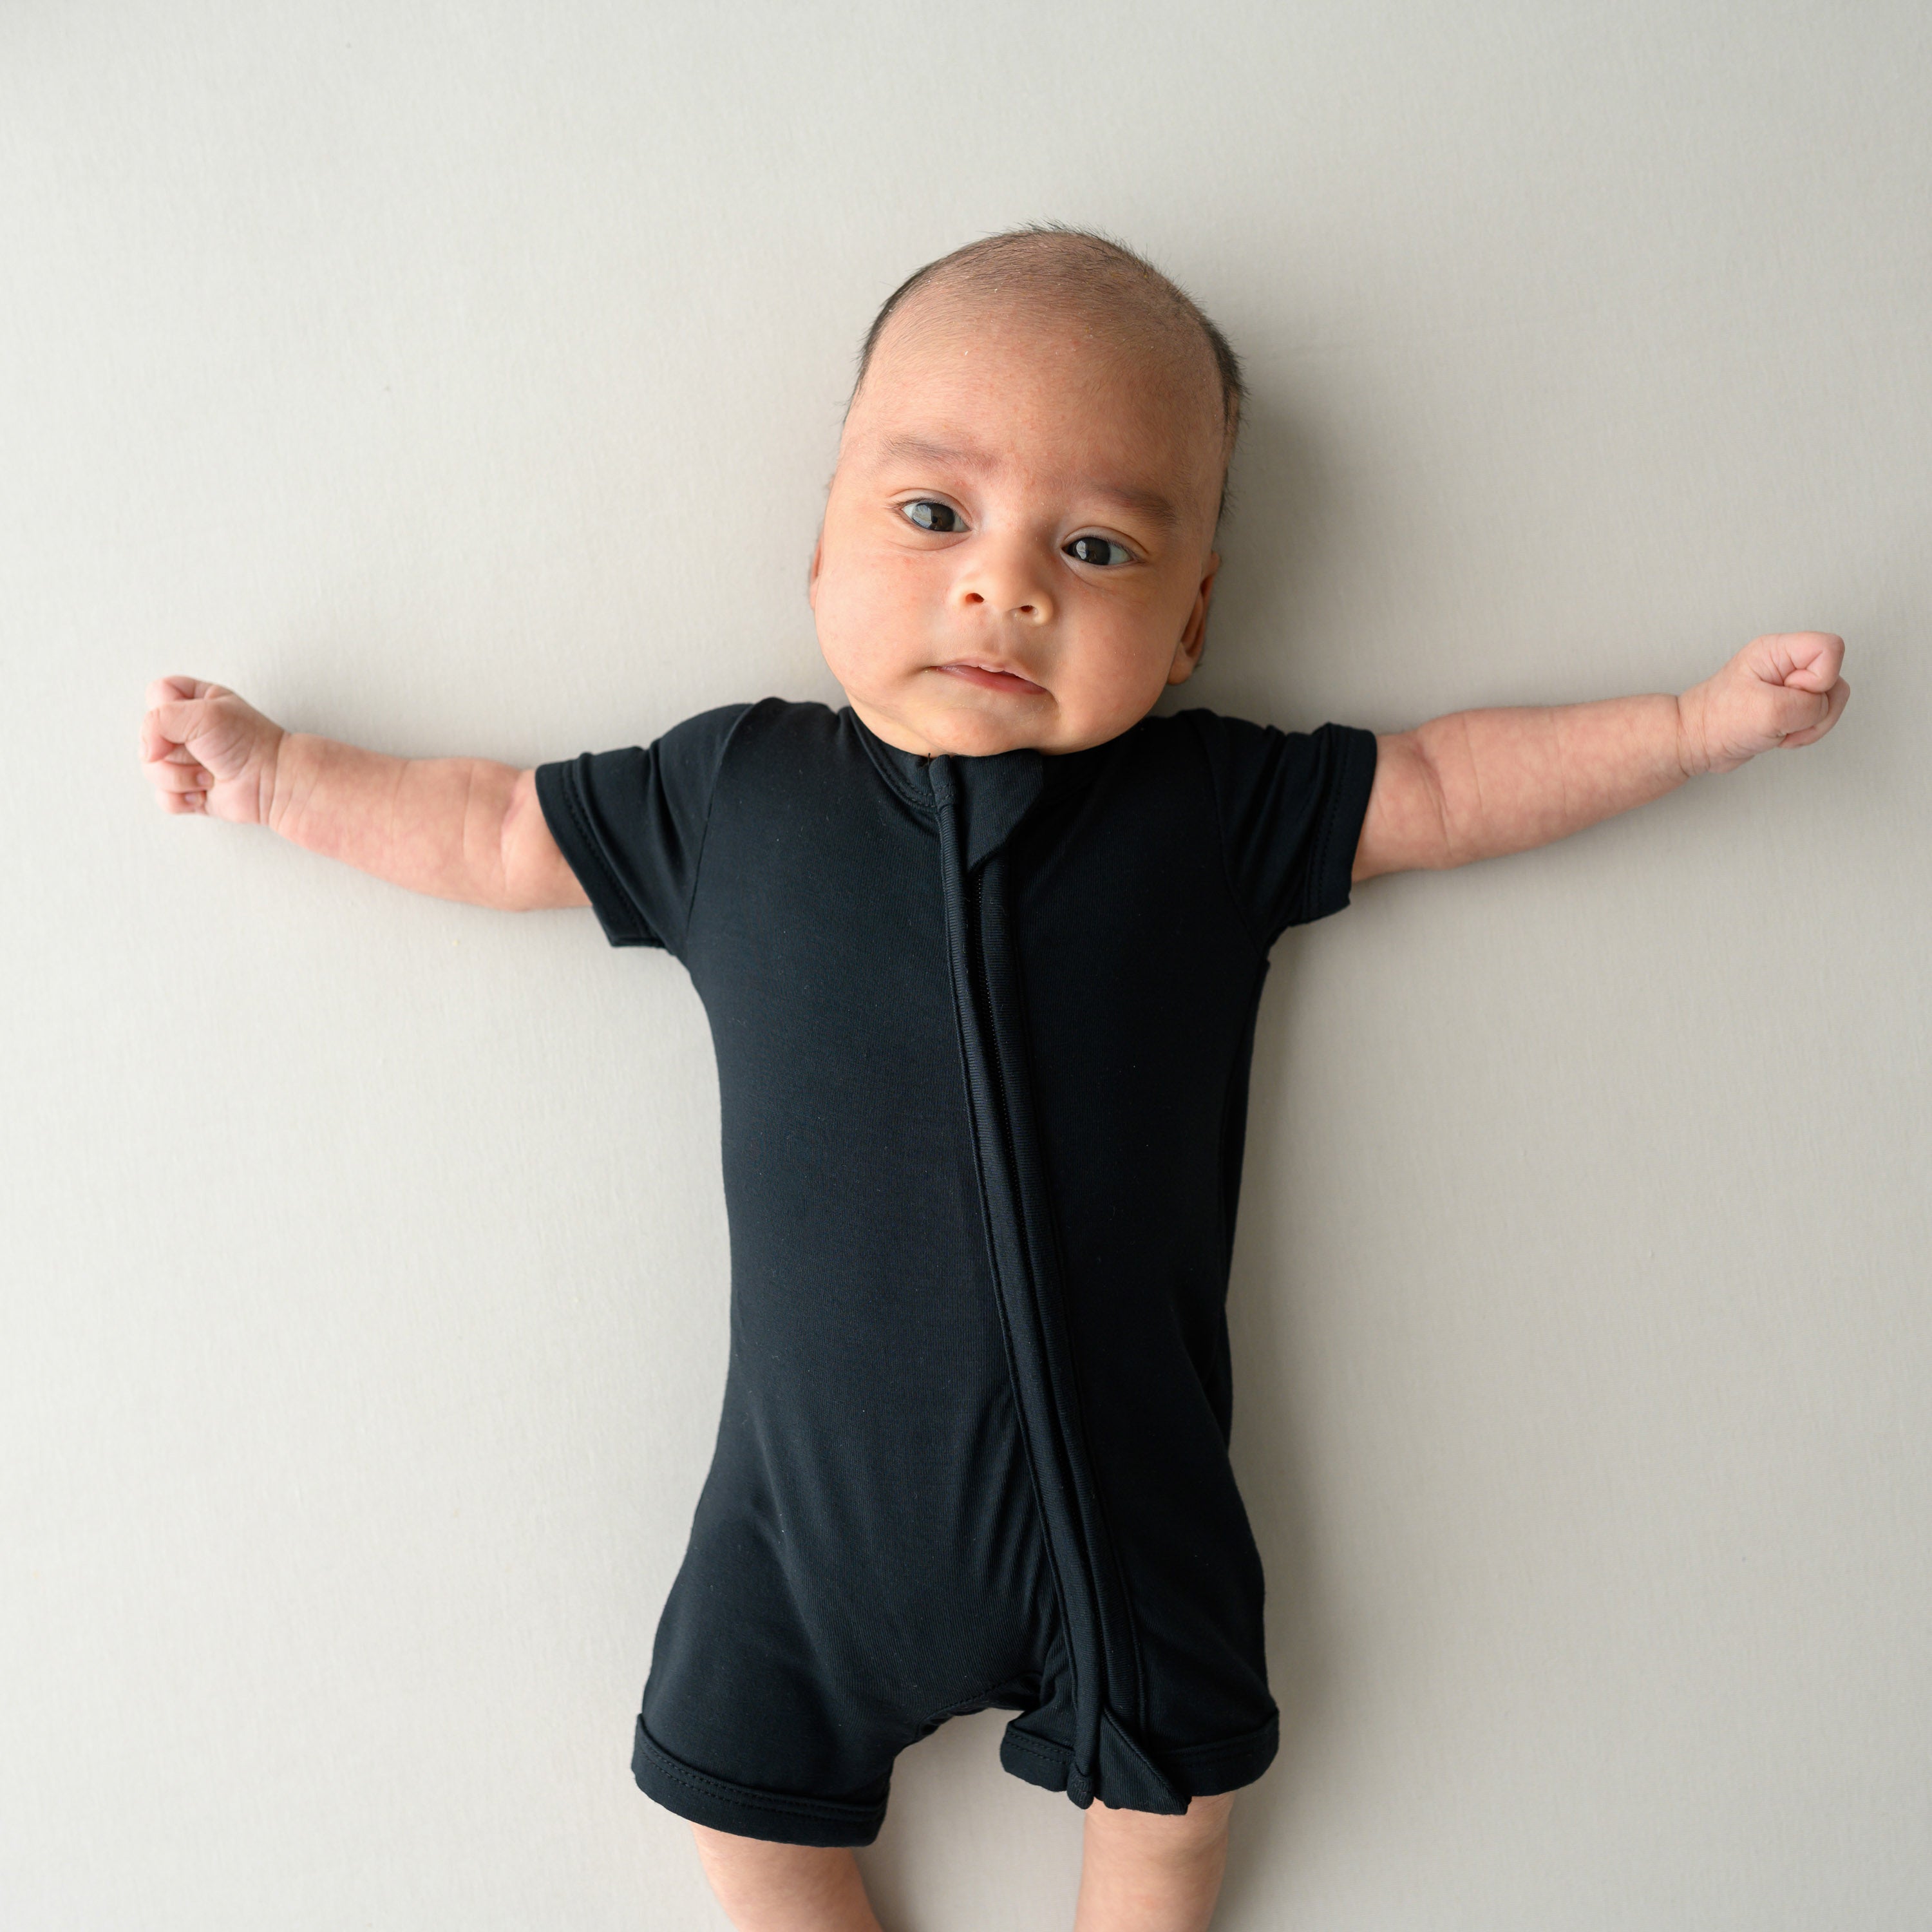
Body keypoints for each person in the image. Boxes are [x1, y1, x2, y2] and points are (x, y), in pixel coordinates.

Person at [137, 227, 1850, 1932]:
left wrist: (1693, 730)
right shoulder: (733, 797)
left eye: (1095, 546)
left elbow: (1448, 785)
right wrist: (282, 779)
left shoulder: (1205, 813)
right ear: (820, 549)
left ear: (1187, 627)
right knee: (734, 1802)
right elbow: (494, 826)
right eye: (934, 514)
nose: (1005, 583)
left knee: (1174, 1814)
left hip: (1129, 1513)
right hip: (806, 1528)